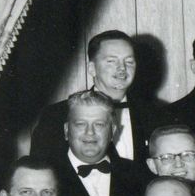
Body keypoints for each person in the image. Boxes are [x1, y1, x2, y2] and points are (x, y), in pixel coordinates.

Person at [30, 30, 143, 165]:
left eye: (129, 62)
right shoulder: (56, 115)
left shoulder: (153, 113)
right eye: (111, 61)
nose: (122, 68)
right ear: (92, 68)